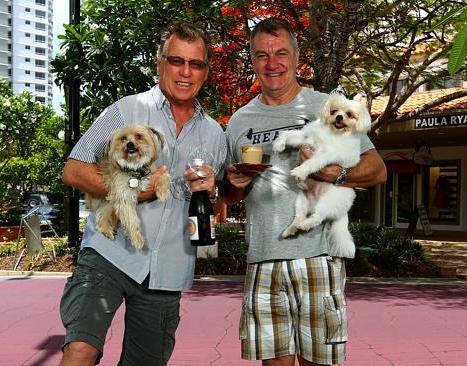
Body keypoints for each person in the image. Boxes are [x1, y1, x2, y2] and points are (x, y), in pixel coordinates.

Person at [59, 21, 226, 366]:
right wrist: (136, 191)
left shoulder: (214, 135)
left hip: (168, 268)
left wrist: (212, 194)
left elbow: (212, 206)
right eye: (176, 61)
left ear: (206, 71)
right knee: (81, 349)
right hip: (110, 253)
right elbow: (74, 170)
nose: (185, 72)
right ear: (159, 62)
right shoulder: (126, 110)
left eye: (195, 64)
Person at [221, 18, 387, 366]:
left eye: (281, 53)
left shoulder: (328, 106)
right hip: (263, 258)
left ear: (297, 58)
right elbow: (230, 197)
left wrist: (338, 173)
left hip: (318, 256)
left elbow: (377, 169)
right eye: (262, 55)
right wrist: (233, 187)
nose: (272, 63)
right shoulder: (238, 121)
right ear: (251, 60)